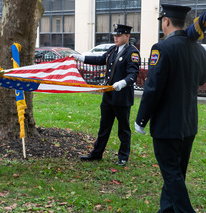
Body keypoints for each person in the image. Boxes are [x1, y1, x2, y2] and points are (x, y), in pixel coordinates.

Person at [135, 4, 206, 212]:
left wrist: (141, 120)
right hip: (188, 124)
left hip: (167, 126)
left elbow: (153, 89)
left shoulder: (162, 48)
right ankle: (166, 209)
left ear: (166, 21)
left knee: (172, 175)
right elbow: (202, 79)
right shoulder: (198, 49)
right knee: (176, 173)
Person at [71, 24, 140, 166]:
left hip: (121, 98)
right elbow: (100, 60)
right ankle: (96, 154)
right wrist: (81, 58)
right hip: (108, 97)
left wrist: (123, 83)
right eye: (115, 35)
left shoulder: (132, 53)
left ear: (127, 36)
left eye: (119, 35)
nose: (116, 38)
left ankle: (123, 157)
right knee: (104, 127)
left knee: (123, 129)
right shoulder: (112, 50)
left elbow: (133, 74)